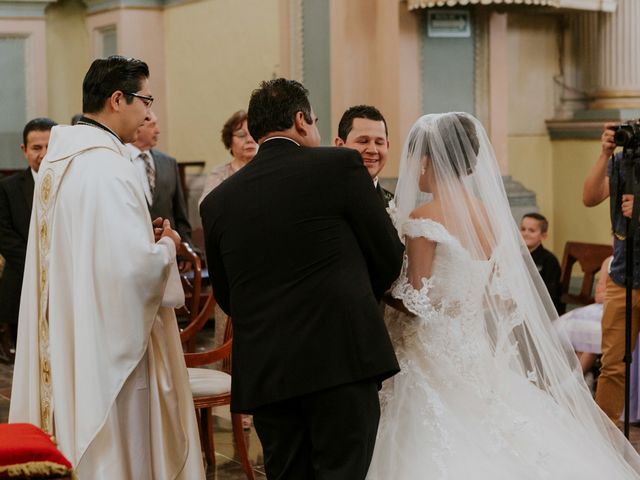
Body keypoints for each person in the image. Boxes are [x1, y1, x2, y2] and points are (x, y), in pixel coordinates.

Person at [367, 112, 640, 479]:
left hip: (429, 350)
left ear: (430, 161)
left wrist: (379, 292)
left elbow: (418, 299)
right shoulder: (487, 215)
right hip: (472, 347)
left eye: (417, 159)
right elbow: (497, 293)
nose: (414, 169)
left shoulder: (423, 217)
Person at [9, 55, 205, 479]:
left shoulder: (57, 163)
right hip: (107, 342)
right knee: (117, 444)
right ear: (118, 98)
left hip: (69, 329)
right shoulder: (110, 167)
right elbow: (135, 272)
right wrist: (167, 247)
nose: (149, 113)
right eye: (145, 99)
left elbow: (91, 252)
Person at [201, 78, 404, 480]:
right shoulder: (339, 166)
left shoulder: (218, 201)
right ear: (300, 120)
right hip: (341, 360)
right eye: (312, 120)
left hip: (269, 371)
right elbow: (388, 258)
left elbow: (227, 296)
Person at [583, 122, 640, 424]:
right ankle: (604, 438)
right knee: (613, 364)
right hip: (622, 276)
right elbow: (590, 197)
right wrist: (605, 154)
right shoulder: (621, 162)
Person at [0, 117, 56, 362]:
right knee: (26, 361)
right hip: (22, 280)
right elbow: (4, 235)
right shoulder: (8, 188)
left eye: (49, 147)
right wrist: (40, 264)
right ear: (24, 150)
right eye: (36, 148)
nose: (44, 154)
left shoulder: (70, 184)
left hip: (62, 280)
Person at [127, 110, 192, 246]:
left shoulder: (169, 162)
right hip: (134, 249)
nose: (158, 131)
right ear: (137, 126)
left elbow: (179, 212)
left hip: (170, 250)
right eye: (152, 125)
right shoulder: (120, 161)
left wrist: (186, 245)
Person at [334, 105, 393, 207]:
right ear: (340, 145)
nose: (373, 150)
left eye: (379, 143)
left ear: (387, 146)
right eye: (363, 141)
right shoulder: (323, 196)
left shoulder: (395, 204)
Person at [199, 109, 257, 204]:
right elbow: (205, 205)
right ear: (229, 140)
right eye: (242, 135)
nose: (250, 139)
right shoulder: (220, 174)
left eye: (254, 134)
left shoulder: (267, 169)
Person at [520, 212, 562, 311]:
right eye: (523, 229)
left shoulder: (549, 260)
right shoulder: (515, 255)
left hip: (540, 309)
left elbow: (550, 294)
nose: (526, 233)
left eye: (531, 230)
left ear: (543, 236)